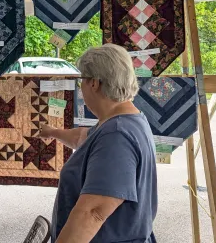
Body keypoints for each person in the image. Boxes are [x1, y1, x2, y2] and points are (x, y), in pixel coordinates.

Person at [39, 44, 157, 243]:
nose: (81, 88)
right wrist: (53, 132)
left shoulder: (116, 135)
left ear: (93, 83)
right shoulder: (125, 121)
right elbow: (82, 138)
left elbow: (93, 212)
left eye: (81, 81)